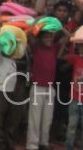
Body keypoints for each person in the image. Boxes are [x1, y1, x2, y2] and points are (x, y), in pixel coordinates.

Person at [27, 19, 66, 150]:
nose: (49, 38)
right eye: (46, 36)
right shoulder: (36, 47)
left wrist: (58, 26)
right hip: (37, 87)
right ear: (40, 37)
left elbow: (67, 36)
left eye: (51, 36)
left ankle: (44, 142)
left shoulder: (54, 48)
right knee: (35, 118)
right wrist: (41, 21)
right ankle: (32, 144)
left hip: (50, 88)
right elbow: (29, 34)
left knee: (47, 119)